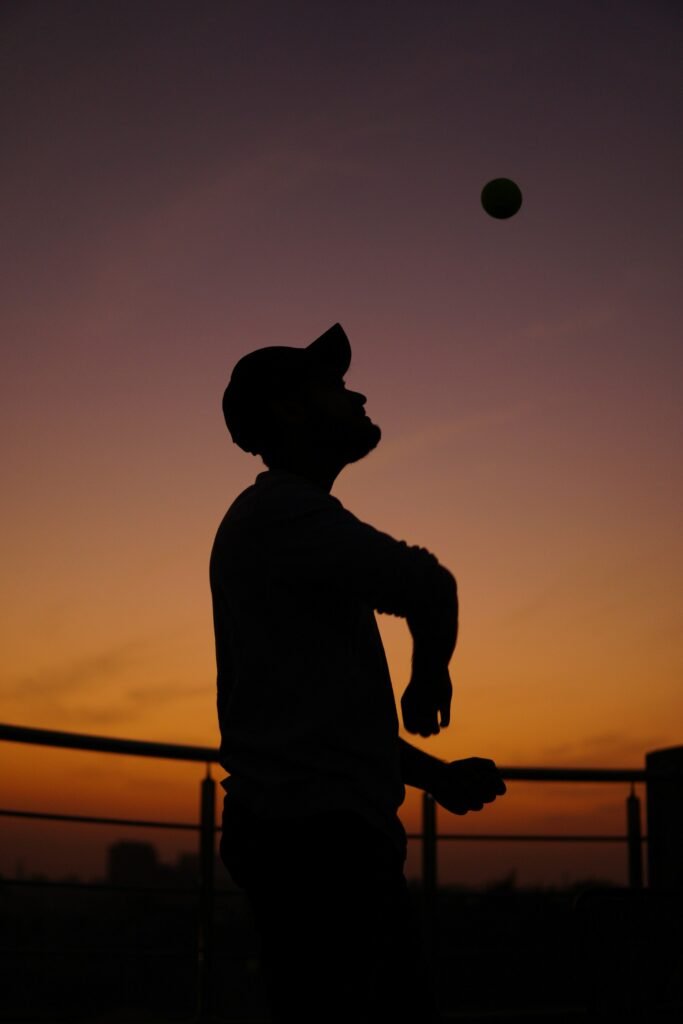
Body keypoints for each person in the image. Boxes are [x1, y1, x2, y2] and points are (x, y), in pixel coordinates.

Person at [210, 322, 506, 1022]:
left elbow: (317, 723)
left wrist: (434, 778)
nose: (357, 395)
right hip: (320, 848)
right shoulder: (286, 514)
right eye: (335, 387)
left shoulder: (284, 523)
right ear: (289, 408)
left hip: (299, 835)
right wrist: (429, 676)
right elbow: (428, 585)